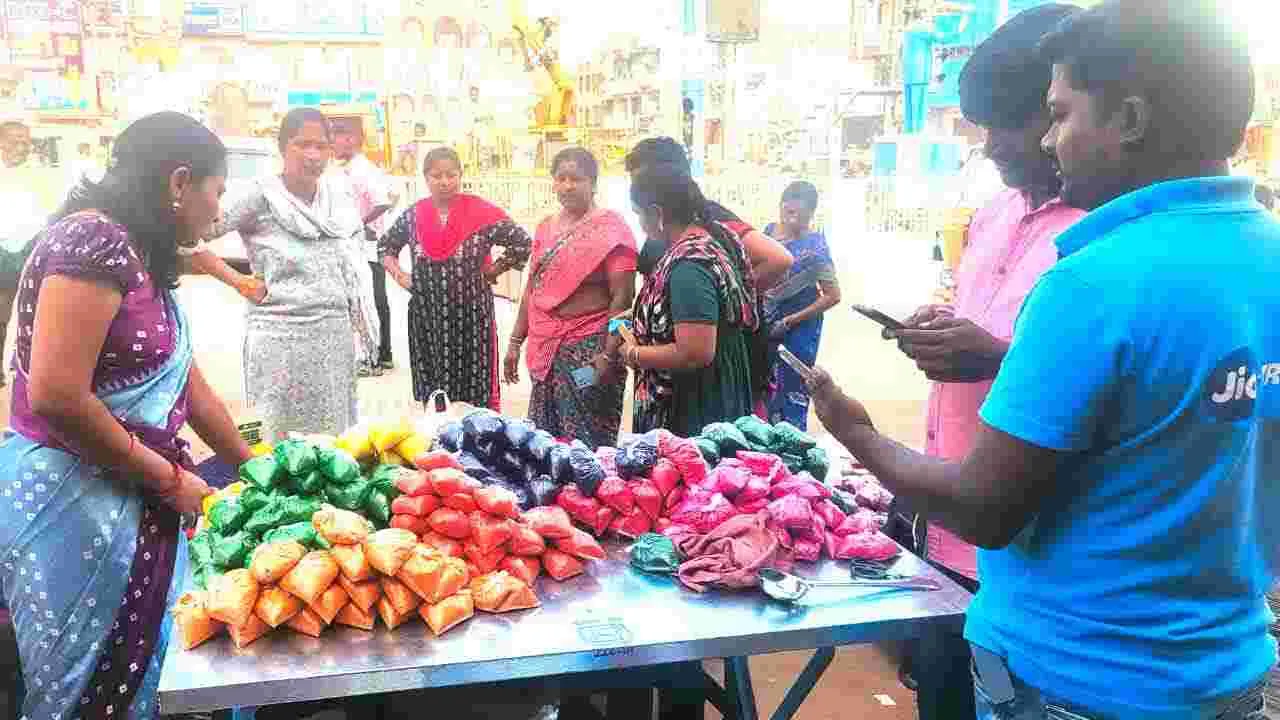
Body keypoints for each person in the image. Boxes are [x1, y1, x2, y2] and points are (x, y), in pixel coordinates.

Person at [806, 1, 1277, 717]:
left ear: (1129, 121)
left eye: (1059, 114)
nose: (1049, 140)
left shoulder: (1095, 279)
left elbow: (984, 508)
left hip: (1078, 678)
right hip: (1221, 672)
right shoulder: (1266, 257)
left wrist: (855, 432)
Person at [0, 111, 250, 720]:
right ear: (178, 183)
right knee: (83, 692)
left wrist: (255, 467)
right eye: (215, 193)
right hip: (74, 508)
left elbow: (184, 383)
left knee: (139, 680)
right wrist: (169, 481)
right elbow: (57, 395)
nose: (216, 214)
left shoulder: (134, 250)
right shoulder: (93, 243)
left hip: (125, 496)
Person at [887, 6, 1087, 720]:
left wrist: (994, 356)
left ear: (1066, 108)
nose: (989, 145)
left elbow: (1101, 391)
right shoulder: (996, 211)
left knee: (1001, 703)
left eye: (1008, 122)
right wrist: (943, 333)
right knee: (942, 700)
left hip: (1023, 556)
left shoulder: (1103, 234)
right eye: (980, 124)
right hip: (946, 529)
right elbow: (984, 322)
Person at [198, 107, 375, 439]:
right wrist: (237, 281)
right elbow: (191, 236)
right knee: (281, 440)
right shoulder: (260, 195)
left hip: (333, 336)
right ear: (282, 148)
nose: (313, 155)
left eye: (321, 146)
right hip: (280, 339)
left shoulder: (336, 196)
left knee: (336, 441)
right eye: (302, 144)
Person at [380, 147, 531, 409]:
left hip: (471, 318)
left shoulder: (481, 211)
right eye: (436, 175)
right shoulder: (414, 215)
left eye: (451, 175)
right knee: (436, 394)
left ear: (460, 175)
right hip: (428, 319)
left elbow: (522, 243)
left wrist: (495, 269)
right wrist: (401, 276)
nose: (444, 182)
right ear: (425, 178)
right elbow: (385, 247)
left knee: (474, 391)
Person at [506, 147, 637, 448]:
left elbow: (623, 301)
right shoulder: (545, 228)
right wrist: (515, 342)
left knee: (587, 438)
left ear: (593, 183)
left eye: (576, 179)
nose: (567, 186)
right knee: (545, 442)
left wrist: (607, 355)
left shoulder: (611, 230)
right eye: (560, 178)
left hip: (589, 350)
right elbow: (532, 288)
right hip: (545, 352)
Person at [619, 164, 759, 436]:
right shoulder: (706, 239)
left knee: (691, 473)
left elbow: (694, 352)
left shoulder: (689, 266)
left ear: (658, 213)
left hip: (694, 403)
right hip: (710, 388)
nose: (640, 223)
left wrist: (634, 354)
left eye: (639, 214)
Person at [625, 136, 792, 290]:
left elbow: (778, 259)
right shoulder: (660, 225)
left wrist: (726, 298)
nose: (636, 189)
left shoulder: (711, 221)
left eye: (641, 181)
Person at [762, 180, 841, 430]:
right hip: (764, 323)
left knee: (792, 387)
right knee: (762, 385)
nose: (792, 220)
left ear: (811, 214)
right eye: (788, 212)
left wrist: (790, 321)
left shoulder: (815, 246)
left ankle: (791, 447)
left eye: (799, 214)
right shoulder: (768, 233)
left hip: (799, 330)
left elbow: (833, 295)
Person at [331, 118, 398, 374]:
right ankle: (379, 353)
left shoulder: (363, 169)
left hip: (368, 243)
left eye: (337, 136)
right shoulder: (346, 169)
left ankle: (380, 355)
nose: (333, 143)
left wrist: (359, 223)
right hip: (356, 243)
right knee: (366, 299)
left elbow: (383, 202)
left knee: (373, 299)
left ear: (351, 139)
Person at [0, 120, 61, 387]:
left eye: (26, 141)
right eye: (15, 140)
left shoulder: (40, 175)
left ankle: (30, 370)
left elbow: (51, 212)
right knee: (1, 313)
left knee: (38, 314)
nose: (22, 146)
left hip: (31, 249)